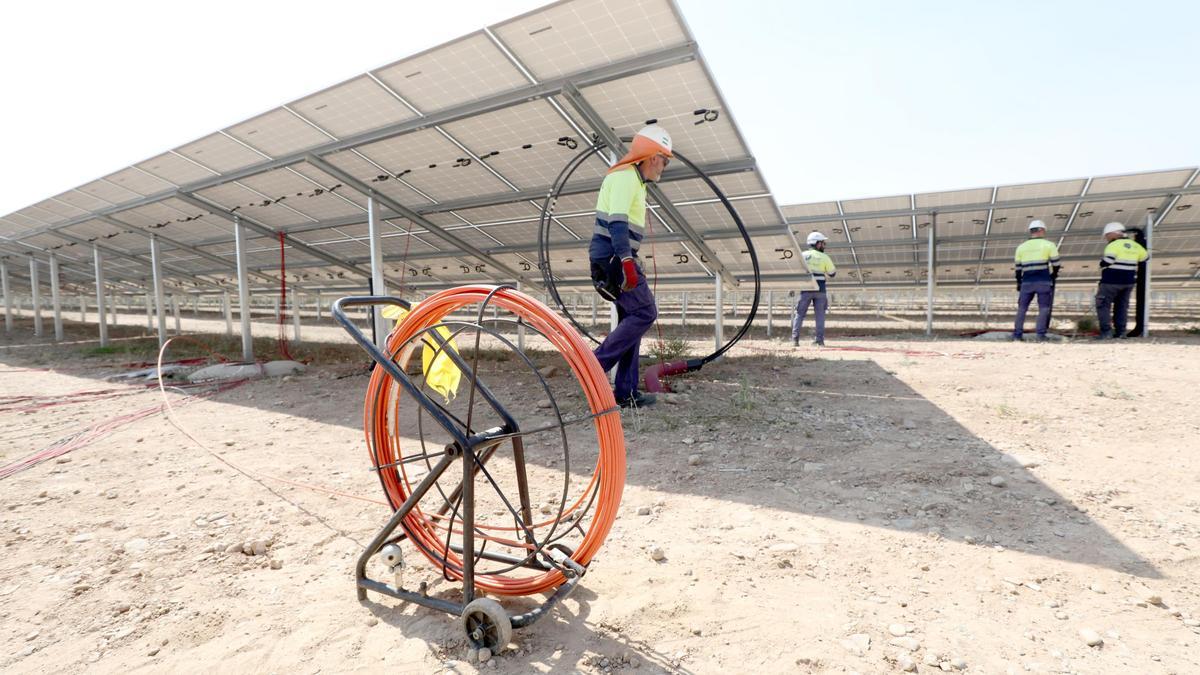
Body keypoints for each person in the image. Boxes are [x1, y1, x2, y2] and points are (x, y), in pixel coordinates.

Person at [588, 124, 672, 408]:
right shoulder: (625, 176)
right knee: (646, 312)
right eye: (664, 160)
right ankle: (594, 366)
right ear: (653, 157)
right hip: (613, 258)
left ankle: (625, 393)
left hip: (614, 257)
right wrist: (626, 261)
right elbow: (617, 221)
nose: (664, 167)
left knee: (632, 319)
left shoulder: (633, 179)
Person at [1094, 222, 1148, 339]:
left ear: (1114, 233)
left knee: (1103, 305)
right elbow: (1145, 257)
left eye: (1107, 235)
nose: (1106, 238)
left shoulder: (1113, 245)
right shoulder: (1135, 245)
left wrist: (1101, 264)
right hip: (1128, 282)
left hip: (1111, 281)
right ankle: (1121, 332)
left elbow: (1108, 261)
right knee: (1121, 307)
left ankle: (1106, 332)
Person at [1011, 219, 1061, 342]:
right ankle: (1040, 335)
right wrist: (1053, 275)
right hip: (1043, 281)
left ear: (1031, 231)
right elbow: (1056, 263)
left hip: (1026, 282)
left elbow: (1018, 269)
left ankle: (1017, 335)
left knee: (1022, 308)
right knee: (1043, 308)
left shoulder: (1021, 247)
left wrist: (1019, 282)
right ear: (1042, 230)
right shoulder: (1049, 245)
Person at [792, 231, 836, 346]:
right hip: (820, 290)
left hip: (806, 289)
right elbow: (832, 273)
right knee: (820, 316)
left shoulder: (802, 255)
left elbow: (797, 271)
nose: (824, 245)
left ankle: (795, 340)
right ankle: (819, 341)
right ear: (817, 243)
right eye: (822, 243)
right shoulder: (824, 257)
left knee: (799, 314)